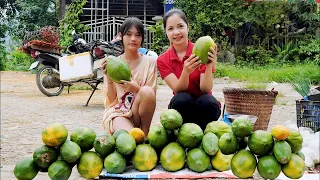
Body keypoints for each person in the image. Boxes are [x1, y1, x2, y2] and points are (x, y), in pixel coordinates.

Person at [157, 9, 221, 130]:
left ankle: (203, 132)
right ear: (166, 32)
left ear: (188, 27)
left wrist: (208, 66)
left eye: (180, 26)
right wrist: (185, 73)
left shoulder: (201, 50)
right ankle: (184, 134)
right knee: (181, 99)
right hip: (182, 109)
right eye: (170, 29)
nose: (176, 32)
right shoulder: (162, 60)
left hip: (205, 108)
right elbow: (178, 89)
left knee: (208, 101)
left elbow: (206, 89)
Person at [101, 17, 157, 135]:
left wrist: (136, 89)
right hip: (119, 113)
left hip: (138, 113)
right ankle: (141, 139)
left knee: (146, 91)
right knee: (132, 139)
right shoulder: (113, 63)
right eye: (129, 34)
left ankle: (145, 134)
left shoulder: (150, 62)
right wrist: (109, 78)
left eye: (138, 35)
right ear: (121, 36)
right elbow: (111, 100)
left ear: (142, 38)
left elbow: (150, 97)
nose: (133, 39)